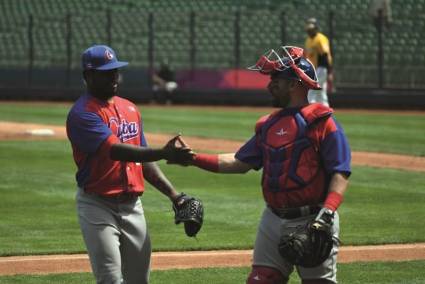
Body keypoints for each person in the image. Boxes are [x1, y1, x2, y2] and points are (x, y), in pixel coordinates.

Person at [172, 46, 351, 284]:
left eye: (277, 78)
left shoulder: (323, 123)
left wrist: (327, 213)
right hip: (273, 218)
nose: (270, 84)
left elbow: (341, 171)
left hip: (314, 218)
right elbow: (238, 162)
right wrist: (192, 158)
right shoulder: (268, 125)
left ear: (294, 83)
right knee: (261, 280)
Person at [66, 44, 194, 284]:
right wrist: (164, 153)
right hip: (98, 205)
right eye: (106, 73)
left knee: (139, 280)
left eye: (115, 70)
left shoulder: (130, 108)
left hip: (133, 205)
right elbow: (116, 151)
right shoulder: (82, 114)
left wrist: (175, 196)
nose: (114, 77)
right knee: (111, 280)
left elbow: (140, 157)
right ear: (88, 76)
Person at [304, 18, 333, 107]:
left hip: (321, 67)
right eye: (308, 30)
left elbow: (325, 55)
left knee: (312, 88)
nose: (309, 31)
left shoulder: (321, 38)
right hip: (313, 68)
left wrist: (329, 71)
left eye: (311, 29)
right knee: (321, 90)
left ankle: (310, 107)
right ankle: (325, 108)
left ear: (316, 28)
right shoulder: (308, 40)